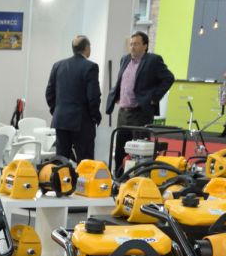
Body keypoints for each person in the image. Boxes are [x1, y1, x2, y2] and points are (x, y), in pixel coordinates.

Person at [105, 31, 175, 166]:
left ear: (145, 46)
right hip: (123, 113)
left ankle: (138, 175)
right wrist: (117, 95)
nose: (132, 47)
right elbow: (122, 81)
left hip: (140, 113)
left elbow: (169, 78)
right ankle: (118, 175)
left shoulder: (153, 60)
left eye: (136, 44)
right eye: (131, 44)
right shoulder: (125, 59)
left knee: (138, 151)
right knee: (120, 150)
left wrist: (154, 98)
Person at [45, 34, 102, 162]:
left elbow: (49, 93)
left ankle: (62, 175)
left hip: (61, 121)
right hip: (82, 122)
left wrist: (57, 111)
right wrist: (95, 116)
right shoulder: (90, 67)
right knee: (85, 163)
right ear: (87, 48)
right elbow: (93, 97)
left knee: (61, 160)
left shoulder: (58, 65)